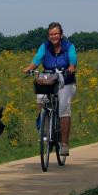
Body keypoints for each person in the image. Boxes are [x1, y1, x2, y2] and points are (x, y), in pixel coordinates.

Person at [23, 22, 77, 156]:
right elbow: (36, 60)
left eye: (56, 34)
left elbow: (73, 60)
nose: (53, 37)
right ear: (48, 36)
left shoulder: (69, 46)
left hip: (66, 80)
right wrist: (29, 69)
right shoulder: (44, 46)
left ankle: (64, 144)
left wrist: (71, 68)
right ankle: (45, 128)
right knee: (40, 98)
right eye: (51, 34)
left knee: (64, 107)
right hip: (48, 78)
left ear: (61, 34)